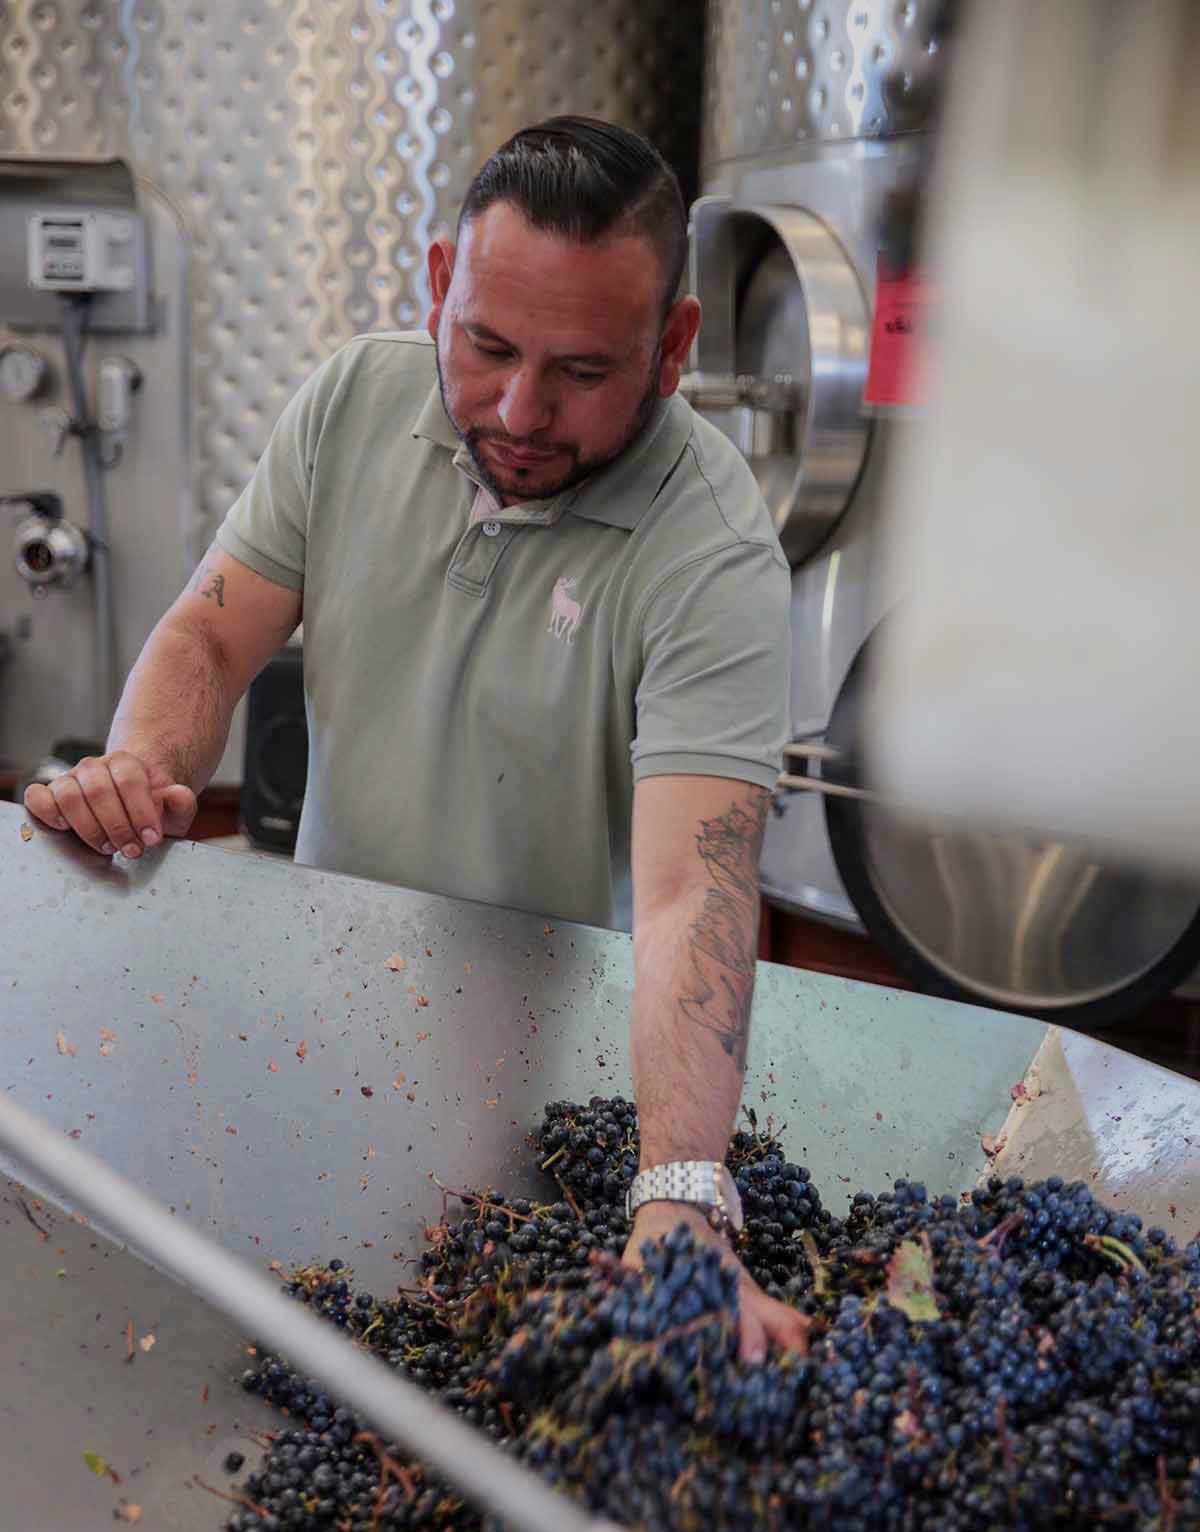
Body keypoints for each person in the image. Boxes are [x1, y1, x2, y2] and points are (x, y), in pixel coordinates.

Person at [24, 117, 801, 1360]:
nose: (519, 406)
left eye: (585, 371)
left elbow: (688, 889)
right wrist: (143, 774)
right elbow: (211, 638)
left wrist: (683, 1192)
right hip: (328, 1004)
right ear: (441, 283)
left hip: (564, 1081)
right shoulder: (353, 401)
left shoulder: (712, 552)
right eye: (487, 343)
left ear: (673, 347)